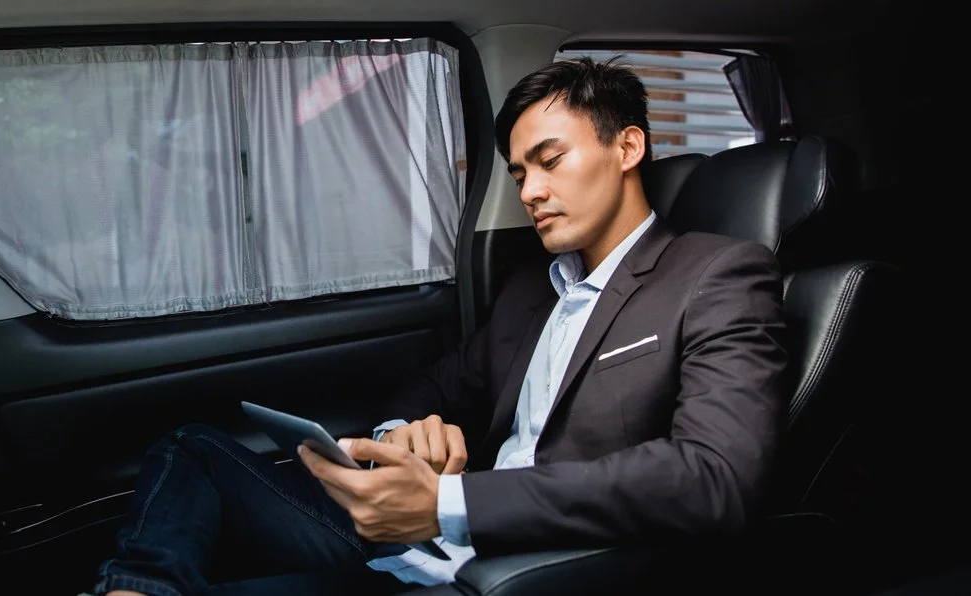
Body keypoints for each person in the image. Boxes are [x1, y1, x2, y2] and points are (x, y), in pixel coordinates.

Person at [89, 55, 788, 596]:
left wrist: (449, 503)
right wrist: (410, 437)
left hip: (512, 567)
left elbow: (714, 475)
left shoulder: (718, 275)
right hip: (410, 545)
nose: (532, 191)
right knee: (195, 447)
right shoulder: (530, 290)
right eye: (520, 173)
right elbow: (433, 385)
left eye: (550, 161)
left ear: (628, 147)